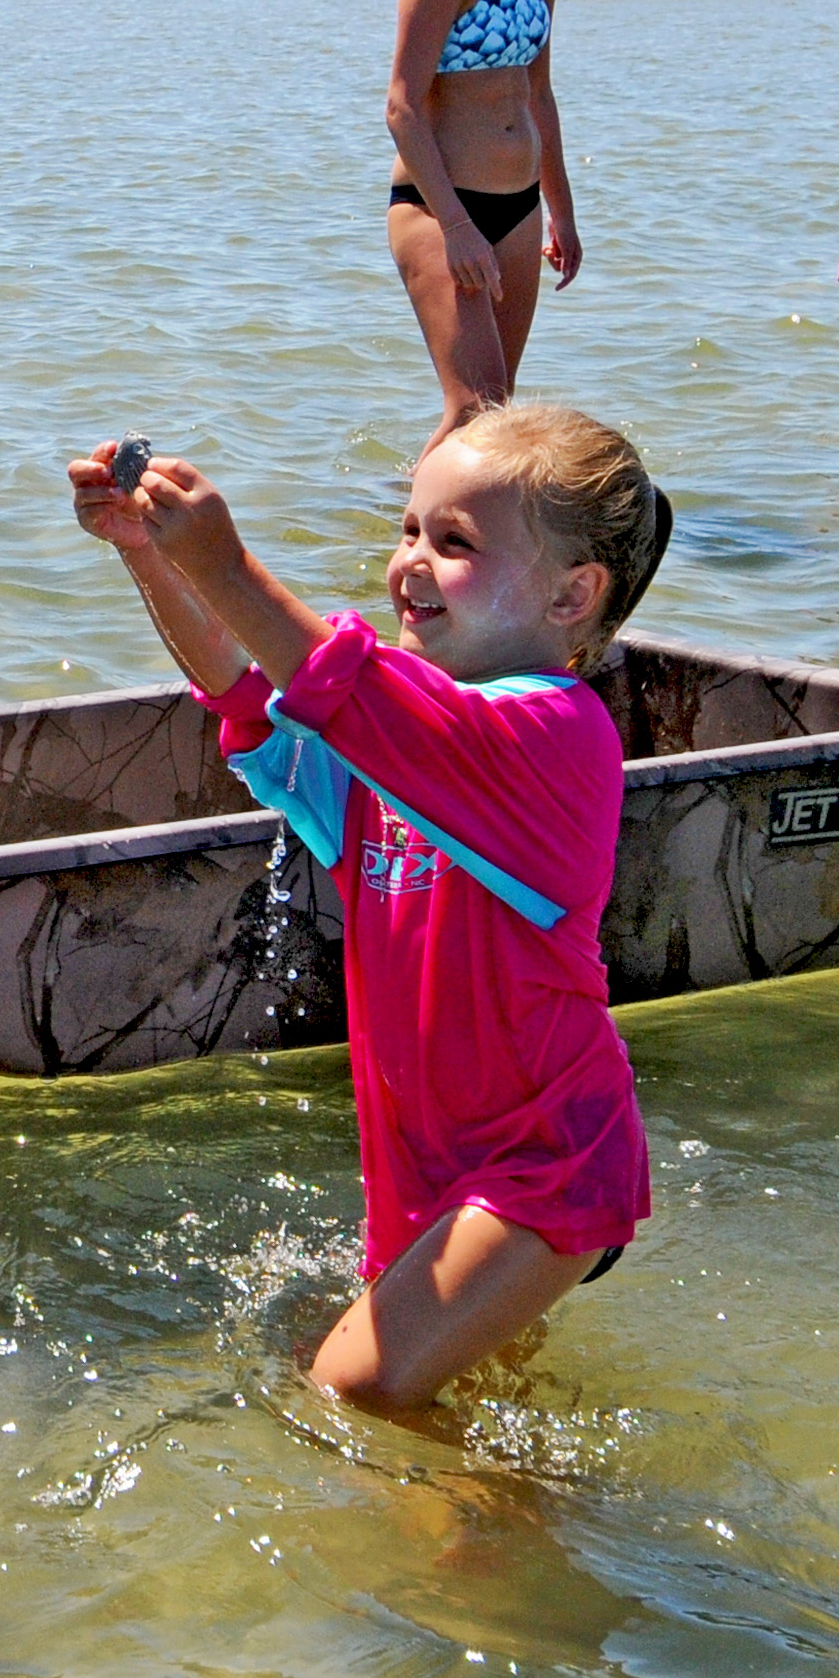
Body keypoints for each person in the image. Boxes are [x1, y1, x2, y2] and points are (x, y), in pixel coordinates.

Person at [68, 406, 668, 1417]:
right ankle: (501, 1563)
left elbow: (351, 692)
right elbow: (253, 695)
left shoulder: (552, 737)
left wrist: (224, 562)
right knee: (463, 1426)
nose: (412, 562)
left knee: (352, 1388)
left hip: (546, 1158)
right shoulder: (393, 749)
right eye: (408, 529)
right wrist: (152, 563)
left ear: (575, 593)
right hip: (425, 1168)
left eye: (456, 543)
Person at [380, 0, 588, 448]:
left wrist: (563, 211)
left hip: (518, 209)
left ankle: (440, 529)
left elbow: (540, 94)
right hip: (442, 207)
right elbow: (403, 106)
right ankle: (410, 539)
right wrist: (460, 230)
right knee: (473, 408)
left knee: (497, 418)